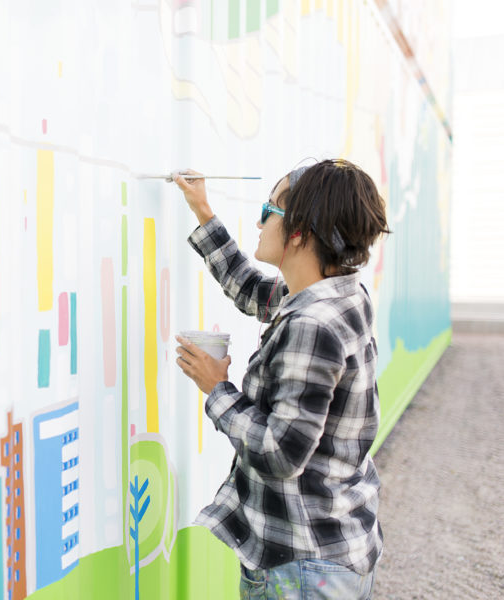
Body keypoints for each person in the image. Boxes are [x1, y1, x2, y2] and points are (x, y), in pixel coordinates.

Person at [173, 159, 390, 599]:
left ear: (301, 231)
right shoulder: (338, 295)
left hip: (303, 569)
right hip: (330, 550)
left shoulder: (313, 324)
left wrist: (218, 389)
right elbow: (253, 291)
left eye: (269, 210)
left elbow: (279, 453)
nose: (258, 220)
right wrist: (203, 211)